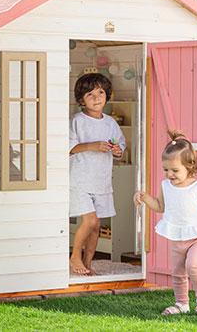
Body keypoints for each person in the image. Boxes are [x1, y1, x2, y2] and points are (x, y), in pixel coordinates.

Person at [133, 130, 197, 315]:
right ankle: (182, 304)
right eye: (166, 170)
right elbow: (160, 206)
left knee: (193, 265)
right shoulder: (166, 186)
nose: (169, 174)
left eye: (175, 170)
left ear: (190, 166)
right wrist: (145, 197)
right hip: (178, 236)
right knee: (178, 272)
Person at [69, 73, 126, 275]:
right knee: (90, 220)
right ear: (81, 99)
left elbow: (120, 143)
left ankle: (88, 264)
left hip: (101, 180)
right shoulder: (77, 120)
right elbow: (69, 148)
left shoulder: (110, 122)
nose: (96, 98)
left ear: (107, 95)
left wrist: (118, 150)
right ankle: (74, 256)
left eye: (100, 92)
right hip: (80, 179)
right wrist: (92, 146)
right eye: (90, 94)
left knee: (96, 225)